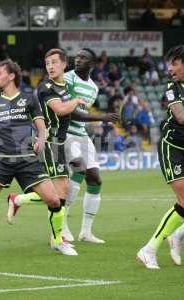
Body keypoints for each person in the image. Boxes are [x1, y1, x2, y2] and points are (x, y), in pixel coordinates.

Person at [0, 59, 80, 261]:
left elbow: (42, 127)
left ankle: (58, 241)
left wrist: (42, 141)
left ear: (11, 76)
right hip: (1, 158)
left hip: (27, 159)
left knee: (53, 199)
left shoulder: (29, 99)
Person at [136, 45, 184, 269]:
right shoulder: (173, 87)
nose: (170, 68)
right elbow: (180, 116)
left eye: (174, 64)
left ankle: (179, 234)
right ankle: (149, 249)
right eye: (169, 64)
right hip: (173, 147)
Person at [6, 49, 89, 245]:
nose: (50, 66)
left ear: (64, 64)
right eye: (47, 63)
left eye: (54, 62)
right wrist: (76, 101)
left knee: (62, 191)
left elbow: (69, 111)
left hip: (60, 142)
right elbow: (60, 110)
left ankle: (17, 200)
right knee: (59, 192)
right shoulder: (45, 87)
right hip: (50, 142)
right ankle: (56, 237)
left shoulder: (67, 86)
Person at [62, 48, 119, 243]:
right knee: (79, 168)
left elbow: (82, 116)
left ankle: (86, 232)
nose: (78, 60)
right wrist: (101, 117)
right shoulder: (67, 79)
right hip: (66, 133)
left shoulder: (93, 88)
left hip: (81, 134)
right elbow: (70, 112)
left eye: (83, 58)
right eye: (76, 57)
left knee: (95, 179)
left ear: (92, 64)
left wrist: (97, 121)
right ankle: (62, 226)